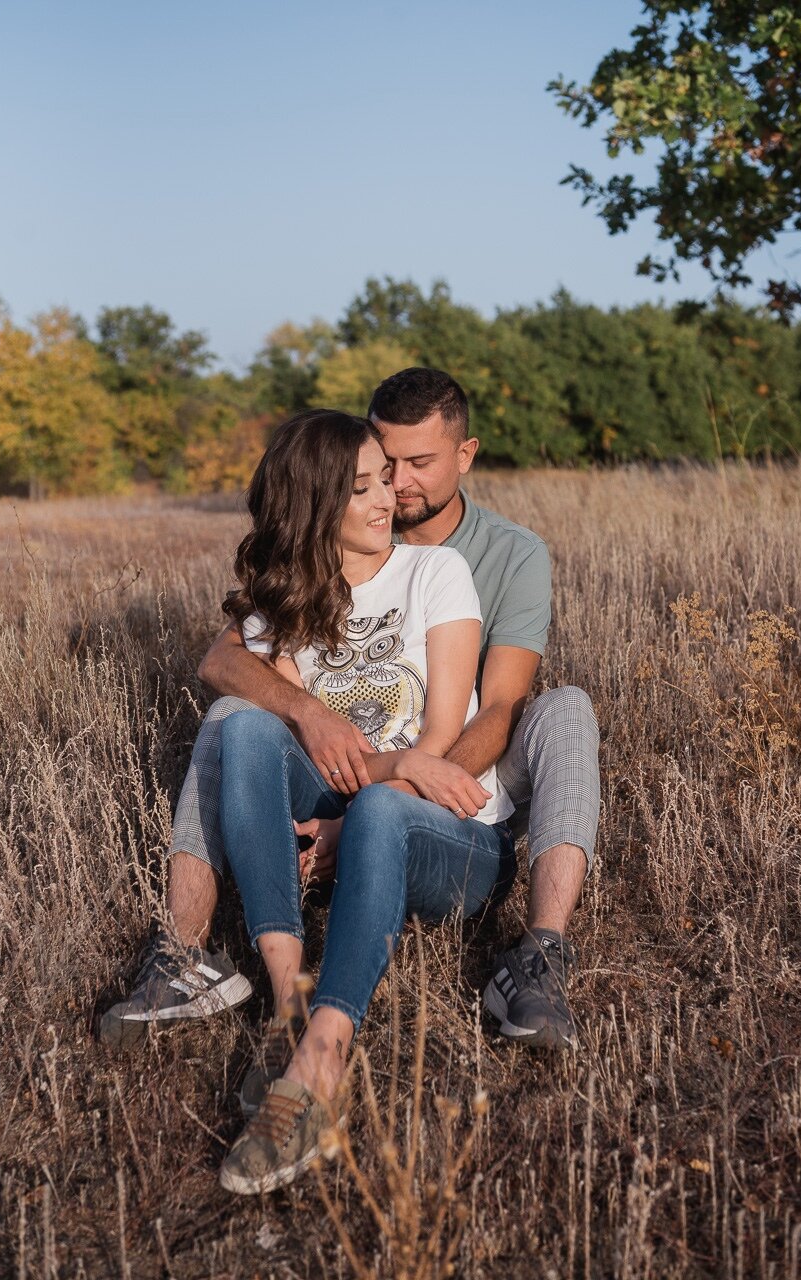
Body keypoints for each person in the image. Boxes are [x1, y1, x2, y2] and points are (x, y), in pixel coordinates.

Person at [101, 367, 599, 1058]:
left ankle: (540, 957)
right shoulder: (305, 572)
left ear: (467, 454)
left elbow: (501, 709)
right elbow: (223, 661)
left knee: (564, 709)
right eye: (378, 466)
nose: (396, 486)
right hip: (342, 772)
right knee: (231, 719)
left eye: (416, 465)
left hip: (449, 778)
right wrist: (307, 713)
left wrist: (383, 800)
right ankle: (183, 956)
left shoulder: (497, 556)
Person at [197, 407, 516, 1192]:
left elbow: (440, 736)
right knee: (240, 728)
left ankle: (323, 1065)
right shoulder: (289, 602)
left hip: (452, 833)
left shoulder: (435, 573)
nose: (388, 499)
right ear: (313, 506)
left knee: (377, 809)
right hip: (349, 808)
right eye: (363, 487)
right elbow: (239, 685)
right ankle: (286, 1007)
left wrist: (390, 770)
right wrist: (312, 719)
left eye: (388, 480)